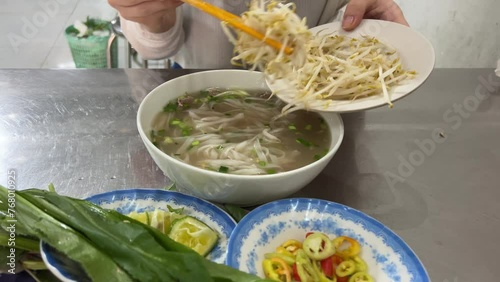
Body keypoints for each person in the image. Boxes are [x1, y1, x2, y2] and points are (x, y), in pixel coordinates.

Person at [108, 0, 408, 69]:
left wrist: (362, 20)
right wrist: (152, 17)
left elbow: (344, 10)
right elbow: (156, 44)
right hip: (195, 88)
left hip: (318, 89)